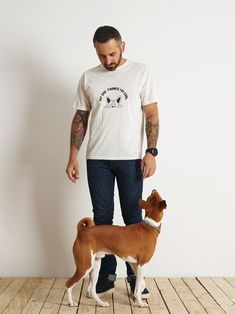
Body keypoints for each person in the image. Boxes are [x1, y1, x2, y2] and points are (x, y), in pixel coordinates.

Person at [66, 25, 159, 299]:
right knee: (102, 219)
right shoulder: (88, 78)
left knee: (134, 218)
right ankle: (105, 277)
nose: (108, 60)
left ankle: (135, 279)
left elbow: (151, 114)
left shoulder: (141, 72)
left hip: (131, 159)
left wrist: (151, 151)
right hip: (97, 160)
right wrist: (73, 155)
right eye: (101, 55)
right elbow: (80, 118)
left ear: (123, 46)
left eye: (112, 53)